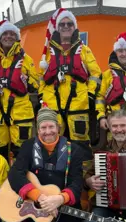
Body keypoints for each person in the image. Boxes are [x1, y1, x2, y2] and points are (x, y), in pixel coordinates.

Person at [8, 104, 85, 222]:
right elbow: (15, 174)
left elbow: (77, 183)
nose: (48, 131)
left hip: (65, 213)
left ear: (58, 127)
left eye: (51, 126)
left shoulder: (74, 151)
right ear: (38, 129)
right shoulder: (28, 147)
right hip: (37, 210)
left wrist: (60, 198)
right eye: (43, 127)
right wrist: (37, 196)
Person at [38, 8, 102, 162]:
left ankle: (83, 179)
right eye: (62, 24)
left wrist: (90, 94)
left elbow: (96, 74)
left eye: (69, 24)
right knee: (51, 144)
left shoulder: (84, 51)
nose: (66, 27)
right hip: (53, 106)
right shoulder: (47, 53)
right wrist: (42, 96)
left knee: (81, 145)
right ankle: (54, 178)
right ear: (57, 28)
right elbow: (41, 77)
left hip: (78, 105)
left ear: (75, 28)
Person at [0, 20, 39, 163]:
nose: (8, 36)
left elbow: (36, 84)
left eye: (12, 34)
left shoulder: (26, 59)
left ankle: (20, 181)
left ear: (17, 37)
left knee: (22, 151)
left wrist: (26, 80)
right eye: (5, 33)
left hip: (20, 112)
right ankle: (0, 180)